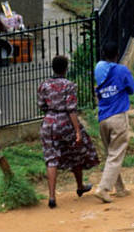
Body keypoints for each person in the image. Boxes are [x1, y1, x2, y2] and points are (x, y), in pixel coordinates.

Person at [38, 54, 99, 208]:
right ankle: (79, 186)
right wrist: (77, 131)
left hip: (48, 123)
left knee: (51, 159)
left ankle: (52, 197)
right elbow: (71, 109)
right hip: (65, 122)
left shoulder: (43, 85)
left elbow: (42, 105)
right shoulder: (69, 85)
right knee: (76, 152)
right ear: (66, 69)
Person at [92, 42, 134, 203]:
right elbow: (131, 89)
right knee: (116, 155)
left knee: (112, 153)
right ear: (117, 55)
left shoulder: (99, 70)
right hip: (118, 116)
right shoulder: (121, 70)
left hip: (103, 118)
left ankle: (120, 188)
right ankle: (103, 189)